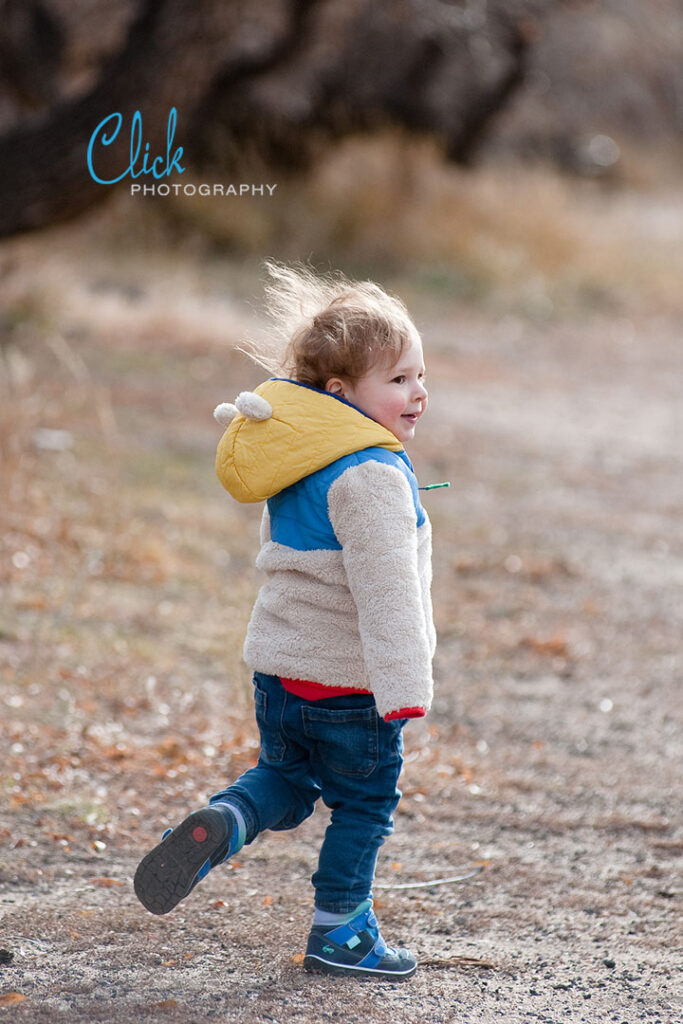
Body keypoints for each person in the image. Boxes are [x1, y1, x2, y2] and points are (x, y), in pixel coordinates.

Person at [134, 262, 436, 980]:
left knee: (285, 779)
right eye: (396, 380)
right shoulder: (367, 476)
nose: (417, 392)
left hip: (281, 674)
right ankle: (341, 934)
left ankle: (227, 820)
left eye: (420, 375)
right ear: (340, 392)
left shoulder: (300, 458)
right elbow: (387, 594)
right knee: (363, 805)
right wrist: (405, 691)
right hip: (350, 686)